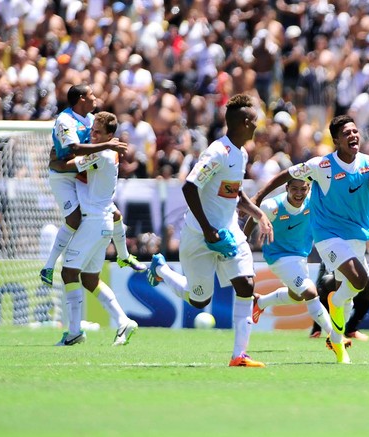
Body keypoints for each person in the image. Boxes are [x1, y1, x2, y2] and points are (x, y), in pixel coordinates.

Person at [147, 94, 273, 367]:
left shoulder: (241, 154)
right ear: (243, 122)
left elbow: (235, 194)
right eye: (254, 121)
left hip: (228, 230)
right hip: (199, 233)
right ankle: (161, 270)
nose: (256, 126)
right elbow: (190, 187)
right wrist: (207, 231)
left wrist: (258, 213)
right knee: (199, 300)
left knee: (246, 284)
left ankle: (239, 355)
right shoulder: (218, 152)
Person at [253, 114, 369, 364]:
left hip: (358, 236)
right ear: (336, 140)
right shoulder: (321, 165)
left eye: (355, 131)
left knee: (350, 297)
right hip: (329, 236)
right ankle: (333, 302)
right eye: (346, 133)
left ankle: (337, 343)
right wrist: (259, 197)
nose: (353, 136)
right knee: (357, 281)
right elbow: (287, 174)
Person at [41, 83, 145, 286]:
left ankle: (124, 256)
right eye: (91, 94)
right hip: (62, 173)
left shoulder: (90, 119)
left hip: (81, 172)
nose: (95, 97)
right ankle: (49, 265)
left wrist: (106, 145)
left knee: (114, 214)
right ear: (81, 98)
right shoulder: (64, 120)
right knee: (74, 218)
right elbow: (74, 147)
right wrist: (107, 145)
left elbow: (95, 146)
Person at [55, 111, 138, 346]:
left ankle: (73, 332)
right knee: (90, 279)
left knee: (69, 273)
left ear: (110, 136)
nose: (92, 136)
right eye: (92, 131)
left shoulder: (101, 153)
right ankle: (123, 321)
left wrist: (55, 158)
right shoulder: (106, 152)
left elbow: (66, 166)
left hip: (93, 221)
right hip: (102, 222)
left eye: (98, 133)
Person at [243, 178, 349, 351]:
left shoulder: (313, 202)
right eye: (294, 189)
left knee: (297, 295)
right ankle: (334, 335)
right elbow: (253, 220)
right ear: (286, 188)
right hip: (278, 256)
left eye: (303, 189)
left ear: (308, 188)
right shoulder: (272, 207)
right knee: (309, 291)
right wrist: (243, 241)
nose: (299, 193)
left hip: (300, 256)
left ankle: (260, 302)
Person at [309, 261, 369, 342]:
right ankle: (318, 328)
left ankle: (351, 329)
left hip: (349, 293)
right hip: (329, 290)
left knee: (368, 288)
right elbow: (320, 280)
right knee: (326, 283)